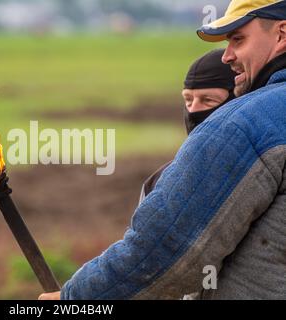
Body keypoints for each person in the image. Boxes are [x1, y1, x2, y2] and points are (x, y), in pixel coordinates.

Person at [40, 0, 286, 300]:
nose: (227, 56)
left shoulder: (246, 123)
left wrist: (74, 300)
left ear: (281, 34)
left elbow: (166, 254)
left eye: (238, 39)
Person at [139, 49, 237, 205]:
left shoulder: (263, 174)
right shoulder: (157, 183)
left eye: (208, 100)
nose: (193, 110)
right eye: (188, 100)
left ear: (238, 101)